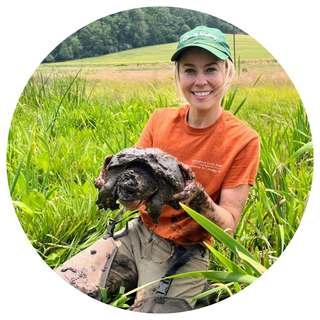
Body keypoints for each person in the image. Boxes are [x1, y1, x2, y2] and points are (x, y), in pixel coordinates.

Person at [54, 25, 260, 313]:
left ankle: (199, 287)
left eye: (211, 69)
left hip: (186, 250)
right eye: (189, 70)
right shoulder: (160, 120)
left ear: (227, 72)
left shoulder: (243, 139)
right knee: (60, 287)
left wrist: (195, 196)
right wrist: (116, 187)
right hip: (137, 234)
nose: (200, 81)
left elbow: (228, 225)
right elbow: (132, 203)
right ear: (178, 75)